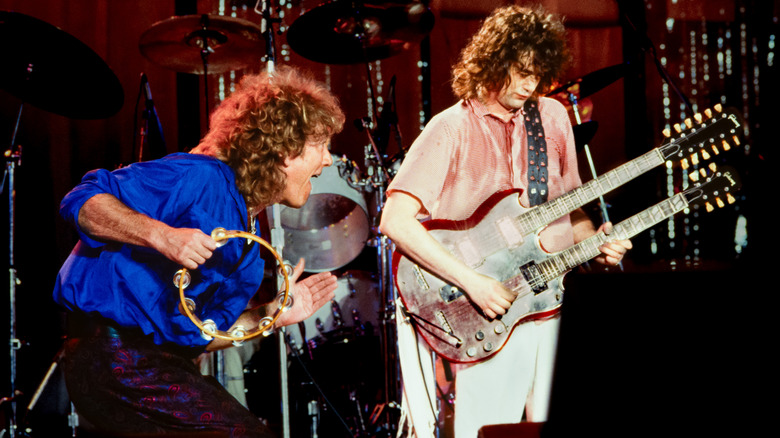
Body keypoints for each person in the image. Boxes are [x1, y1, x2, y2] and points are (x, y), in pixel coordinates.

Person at [379, 5, 632, 437]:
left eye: (538, 73)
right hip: (489, 315)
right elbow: (395, 221)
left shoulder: (551, 116)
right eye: (519, 71)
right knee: (487, 431)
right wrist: (473, 283)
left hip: (554, 305)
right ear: (493, 63)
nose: (529, 84)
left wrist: (596, 241)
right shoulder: (450, 128)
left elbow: (572, 212)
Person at [53, 66, 345, 437]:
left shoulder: (249, 248)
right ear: (286, 149)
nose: (328, 160)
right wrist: (162, 236)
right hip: (115, 359)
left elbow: (204, 333)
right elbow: (83, 201)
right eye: (320, 145)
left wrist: (271, 315)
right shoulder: (200, 177)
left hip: (165, 367)